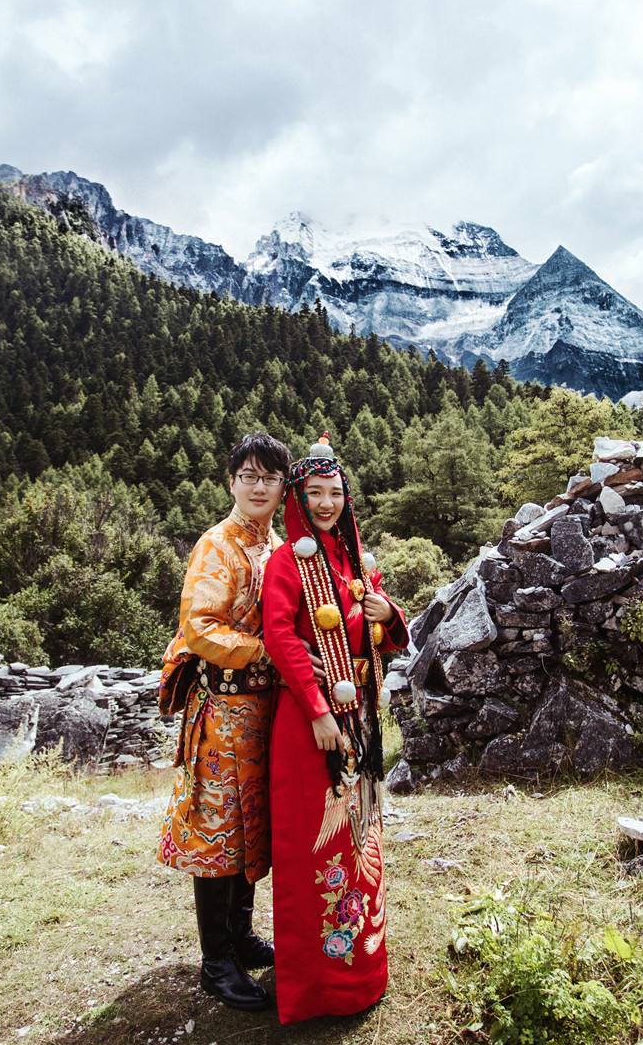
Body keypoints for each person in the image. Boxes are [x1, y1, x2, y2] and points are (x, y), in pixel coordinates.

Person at [261, 433, 408, 1025]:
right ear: (299, 499)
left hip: (359, 721)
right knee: (315, 846)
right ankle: (320, 986)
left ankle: (361, 972)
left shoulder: (352, 558)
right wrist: (319, 710)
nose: (326, 504)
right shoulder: (287, 562)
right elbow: (280, 636)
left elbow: (376, 626)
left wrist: (388, 613)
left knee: (359, 837)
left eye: (335, 493)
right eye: (315, 494)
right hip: (311, 726)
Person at [157, 431, 293, 1011]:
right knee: (218, 828)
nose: (259, 487)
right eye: (249, 476)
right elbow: (201, 629)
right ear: (231, 482)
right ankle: (216, 962)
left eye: (270, 478)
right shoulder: (217, 546)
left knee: (252, 823)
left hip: (265, 710)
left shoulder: (276, 545)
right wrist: (271, 651)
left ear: (283, 487)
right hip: (223, 711)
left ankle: (240, 936)